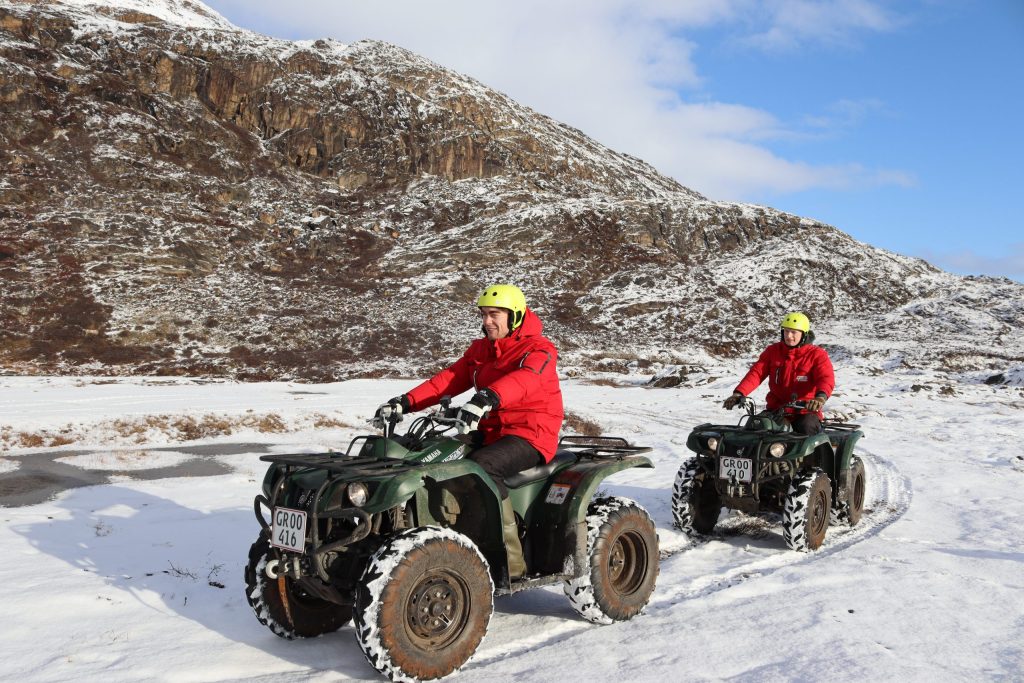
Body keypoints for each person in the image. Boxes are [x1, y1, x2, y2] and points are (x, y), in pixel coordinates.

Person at [373, 284, 564, 578]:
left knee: (481, 467)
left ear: (514, 316)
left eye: (494, 315)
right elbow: (447, 381)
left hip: (530, 434)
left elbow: (526, 379)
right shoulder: (481, 351)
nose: (487, 321)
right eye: (484, 314)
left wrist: (487, 397)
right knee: (435, 455)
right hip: (490, 432)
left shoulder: (539, 350)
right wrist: (405, 403)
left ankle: (510, 560)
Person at [723, 312, 834, 435]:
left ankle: (814, 455)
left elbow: (825, 378)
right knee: (755, 427)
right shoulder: (773, 351)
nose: (789, 336)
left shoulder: (817, 355)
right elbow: (756, 373)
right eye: (786, 331)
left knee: (806, 428)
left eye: (793, 332)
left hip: (805, 411)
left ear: (804, 334)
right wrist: (738, 393)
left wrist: (820, 397)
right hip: (776, 410)